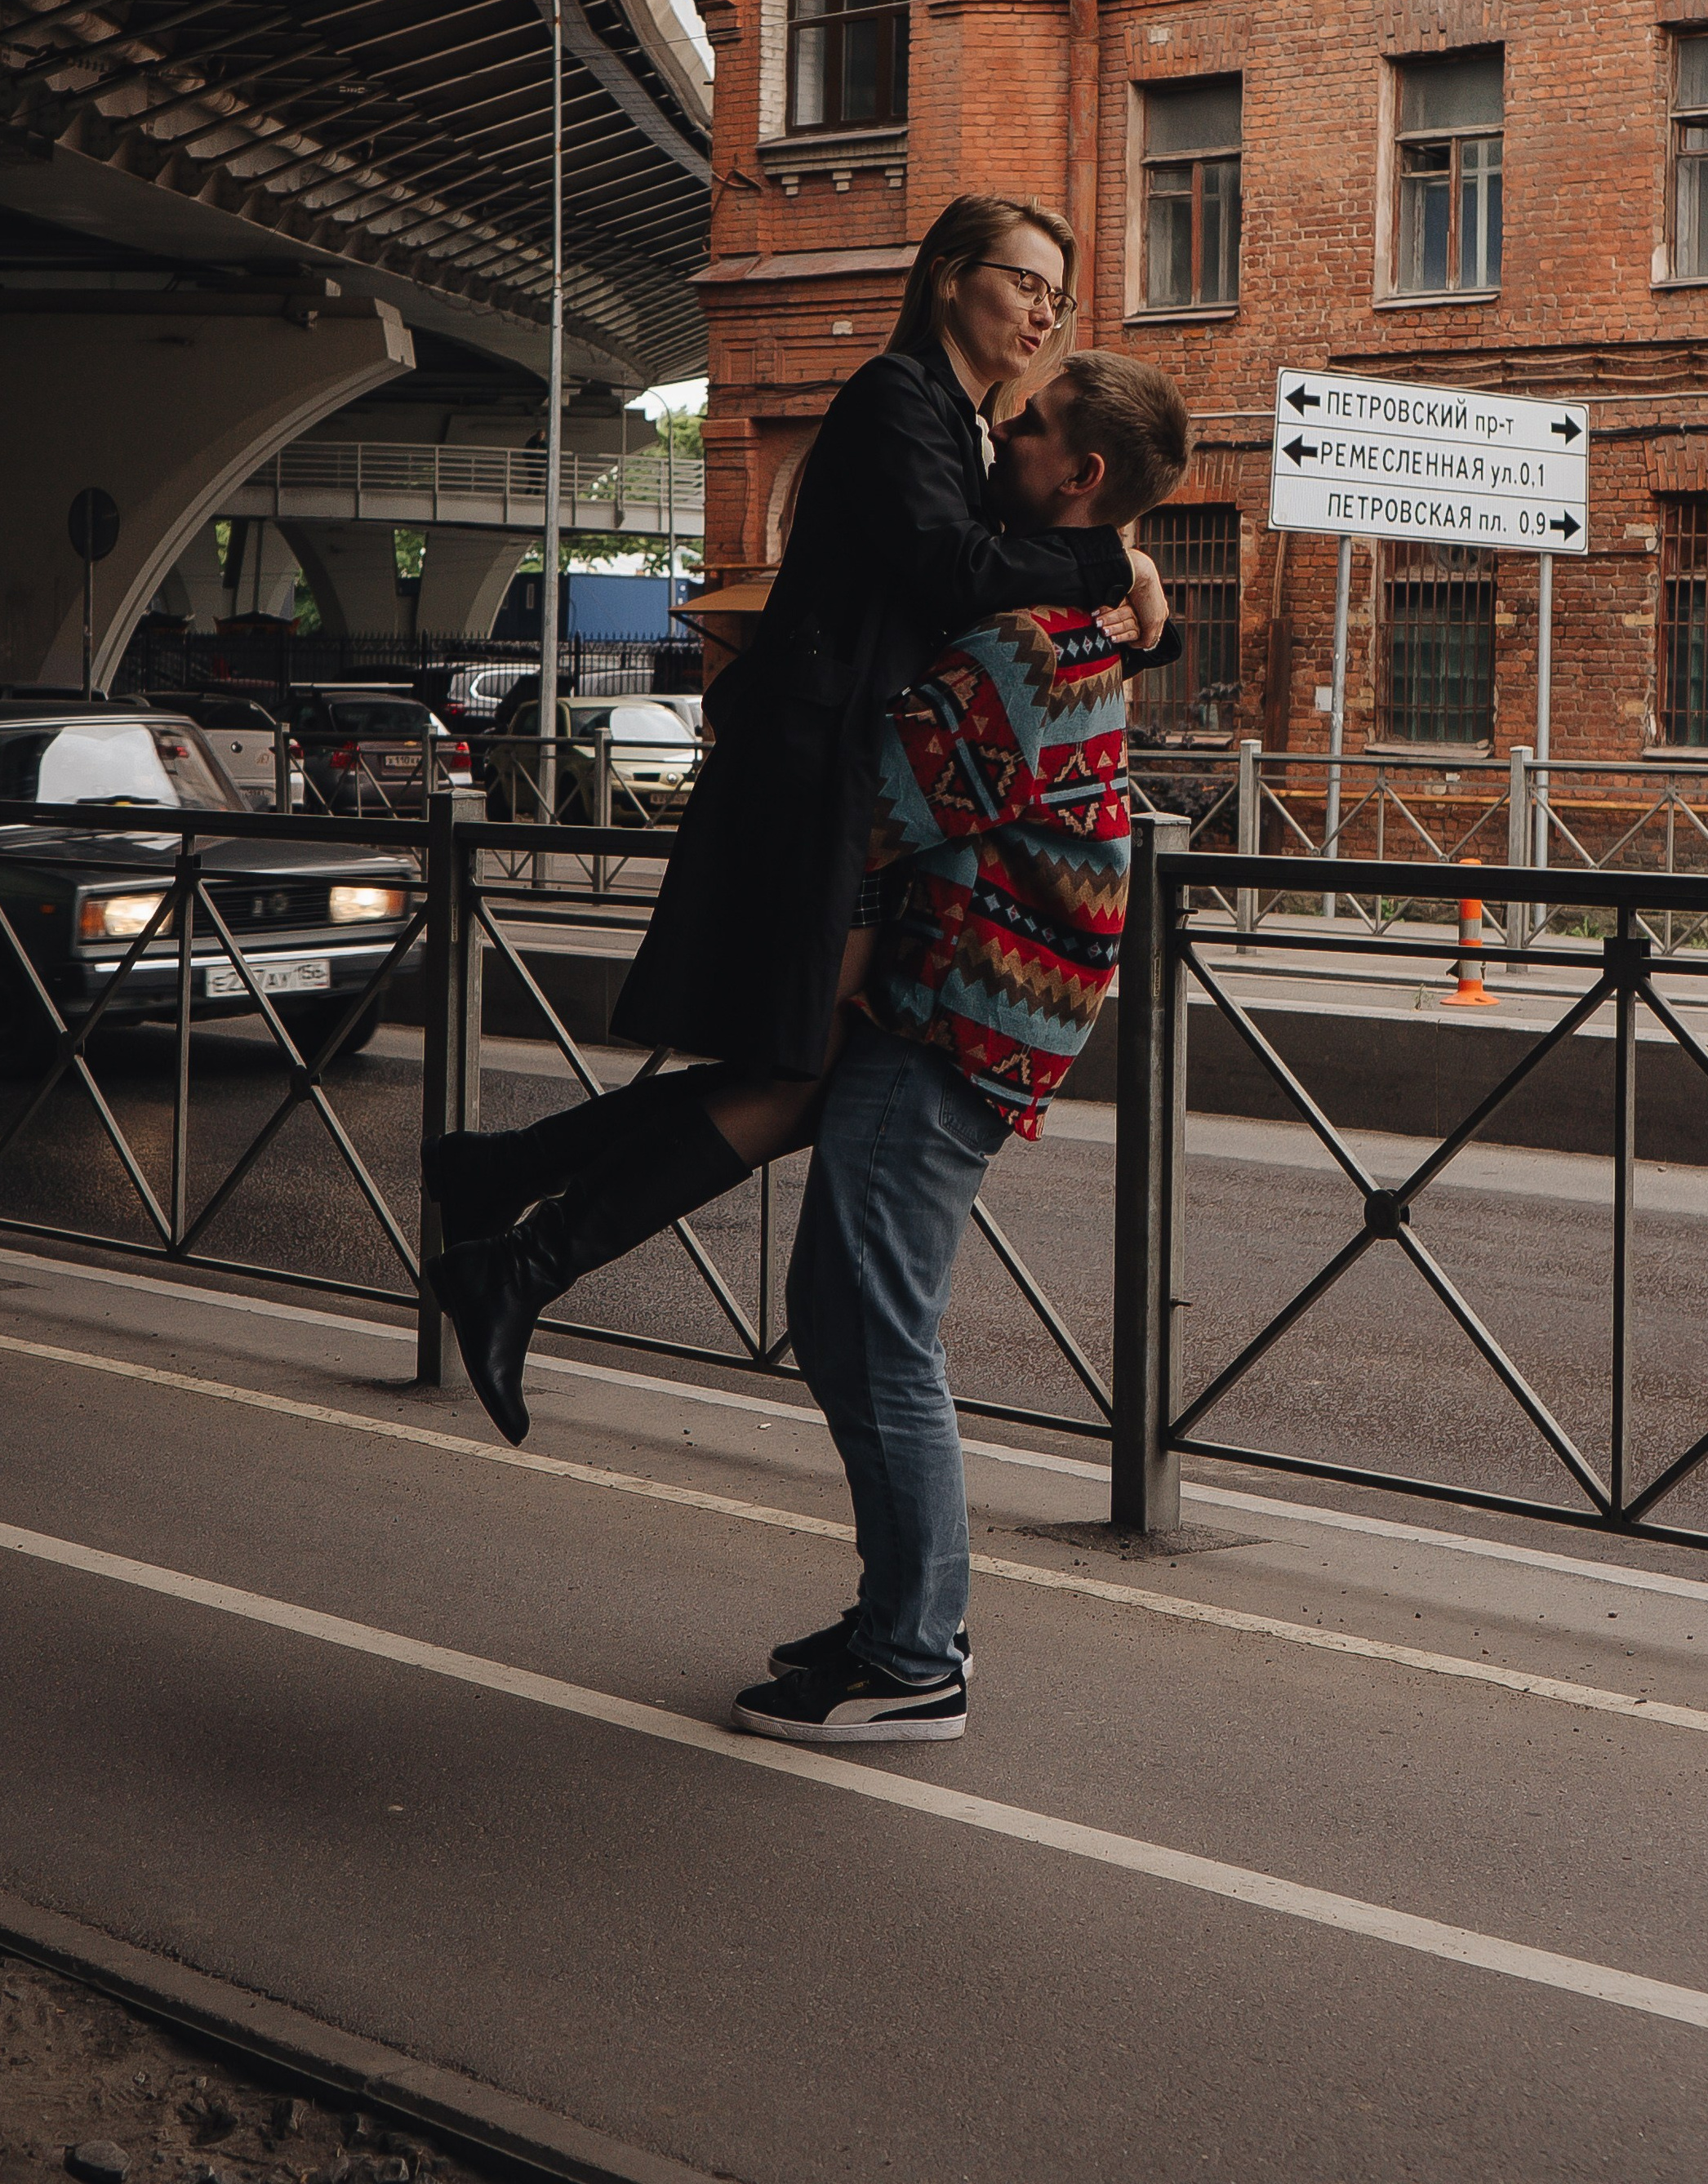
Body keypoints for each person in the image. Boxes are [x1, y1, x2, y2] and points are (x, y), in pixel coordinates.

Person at [423, 198, 1173, 1436]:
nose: (1045, 312)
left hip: (854, 782)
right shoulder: (894, 401)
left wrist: (1133, 604)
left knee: (795, 1074)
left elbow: (1001, 611)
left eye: (1060, 295)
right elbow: (953, 572)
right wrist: (1117, 572)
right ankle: (514, 1244)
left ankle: (504, 1205)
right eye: (1025, 282)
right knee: (797, 1076)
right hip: (829, 784)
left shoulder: (964, 430)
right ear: (946, 281)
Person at [726, 349, 1190, 1744]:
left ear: (1082, 474)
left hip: (958, 1020)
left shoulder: (1030, 639)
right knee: (839, 1312)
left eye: (1031, 425)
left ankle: (916, 1656)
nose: (1003, 434)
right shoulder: (1064, 603)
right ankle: (899, 1614)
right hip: (951, 1003)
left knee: (881, 1327)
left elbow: (879, 798)